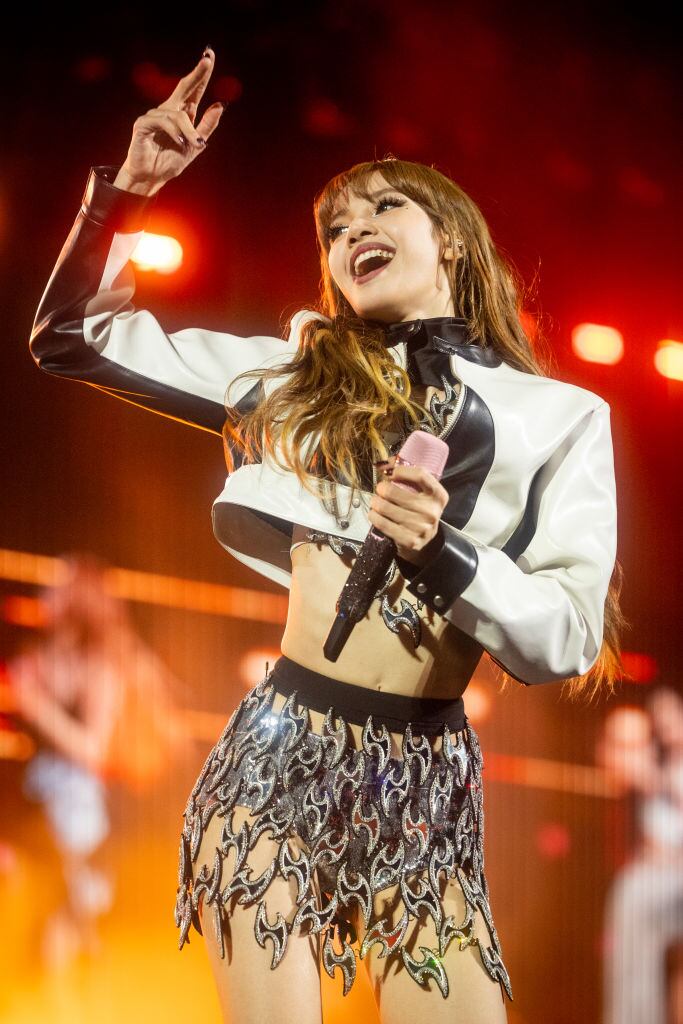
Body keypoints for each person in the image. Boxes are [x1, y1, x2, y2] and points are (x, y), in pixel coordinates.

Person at [29, 47, 624, 1024]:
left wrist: (446, 550)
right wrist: (123, 197)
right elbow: (72, 340)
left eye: (385, 208)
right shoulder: (293, 377)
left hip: (423, 784)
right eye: (337, 226)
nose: (356, 229)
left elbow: (561, 636)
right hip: (276, 757)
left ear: (453, 243)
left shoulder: (561, 416)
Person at [6, 552, 184, 969]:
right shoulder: (43, 657)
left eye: (56, 583)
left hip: (86, 808)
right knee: (49, 919)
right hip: (44, 804)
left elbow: (94, 750)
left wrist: (37, 707)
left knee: (72, 925)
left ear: (77, 599)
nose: (44, 591)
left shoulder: (104, 664)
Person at [598, 688, 683, 1024]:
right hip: (651, 877)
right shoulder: (651, 759)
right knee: (637, 978)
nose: (665, 723)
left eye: (671, 713)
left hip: (671, 880)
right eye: (658, 716)